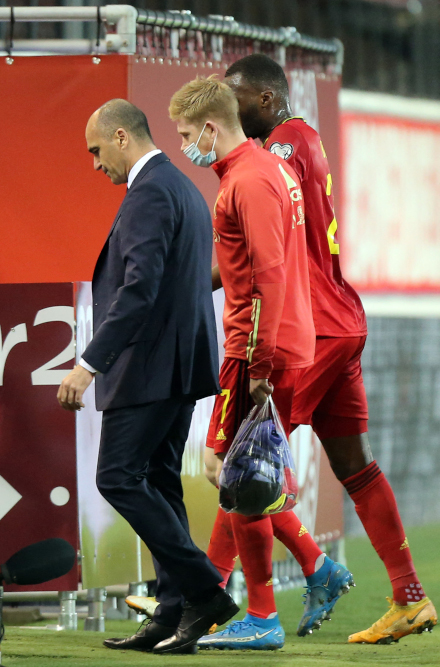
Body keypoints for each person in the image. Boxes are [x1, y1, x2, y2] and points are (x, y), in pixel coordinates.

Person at [215, 52, 437, 644]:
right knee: (355, 467)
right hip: (342, 320)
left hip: (308, 329)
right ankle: (409, 595)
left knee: (244, 466)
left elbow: (273, 245)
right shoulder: (303, 139)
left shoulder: (277, 150)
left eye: (231, 96)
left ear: (263, 99)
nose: (222, 110)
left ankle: (204, 597)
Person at [168, 75, 352, 651]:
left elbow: (268, 275)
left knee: (230, 475)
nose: (183, 145)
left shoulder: (245, 181)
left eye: (183, 134)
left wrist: (261, 363)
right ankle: (316, 569)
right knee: (253, 477)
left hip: (257, 348)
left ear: (209, 127)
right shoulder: (264, 171)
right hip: (284, 340)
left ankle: (264, 615)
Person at [57, 99, 237, 655]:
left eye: (95, 151)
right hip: (179, 366)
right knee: (159, 481)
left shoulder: (150, 193)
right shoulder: (182, 186)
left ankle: (204, 589)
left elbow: (139, 290)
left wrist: (88, 365)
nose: (94, 164)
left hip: (149, 367)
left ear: (120, 137)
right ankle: (172, 610)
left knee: (117, 477)